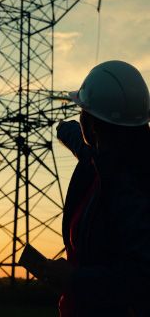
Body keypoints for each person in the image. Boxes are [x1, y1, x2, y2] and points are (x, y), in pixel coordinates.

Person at [36, 60, 150, 316]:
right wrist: (64, 129)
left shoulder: (130, 189)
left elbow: (141, 277)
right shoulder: (101, 160)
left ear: (94, 125)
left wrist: (74, 278)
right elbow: (78, 140)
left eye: (83, 111)